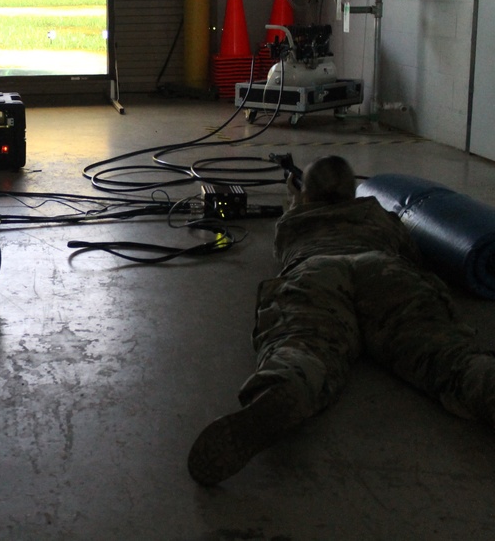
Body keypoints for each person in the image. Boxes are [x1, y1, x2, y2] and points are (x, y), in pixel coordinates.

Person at [187, 155, 495, 486]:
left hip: (316, 270)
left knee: (301, 341)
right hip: (381, 267)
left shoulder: (293, 223)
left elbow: (284, 249)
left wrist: (296, 202)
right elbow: (410, 254)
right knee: (442, 351)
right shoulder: (379, 215)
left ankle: (287, 386)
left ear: (308, 194)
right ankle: (483, 382)